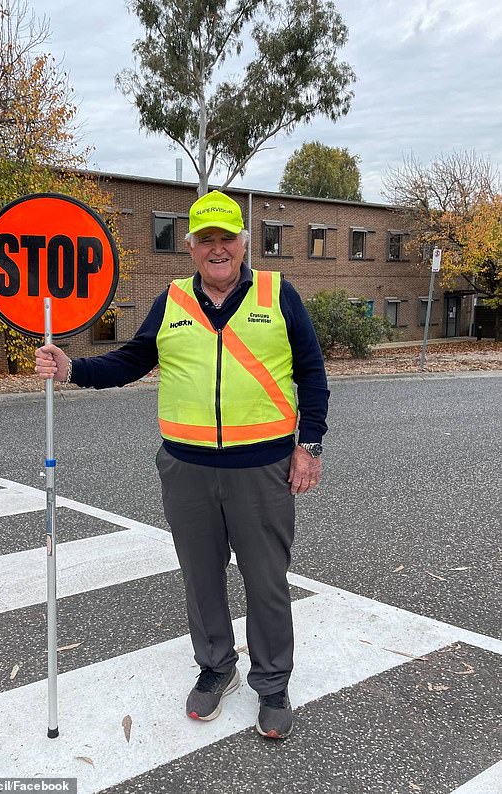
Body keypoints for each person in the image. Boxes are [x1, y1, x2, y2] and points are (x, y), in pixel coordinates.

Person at [35, 190, 328, 740]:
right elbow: (131, 359)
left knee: (266, 580)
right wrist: (73, 367)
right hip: (186, 469)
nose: (218, 250)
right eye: (206, 241)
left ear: (244, 243)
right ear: (190, 249)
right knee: (200, 578)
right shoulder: (171, 300)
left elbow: (312, 373)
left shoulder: (277, 294)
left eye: (227, 239)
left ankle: (272, 684)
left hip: (263, 470)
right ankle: (217, 667)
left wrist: (308, 446)